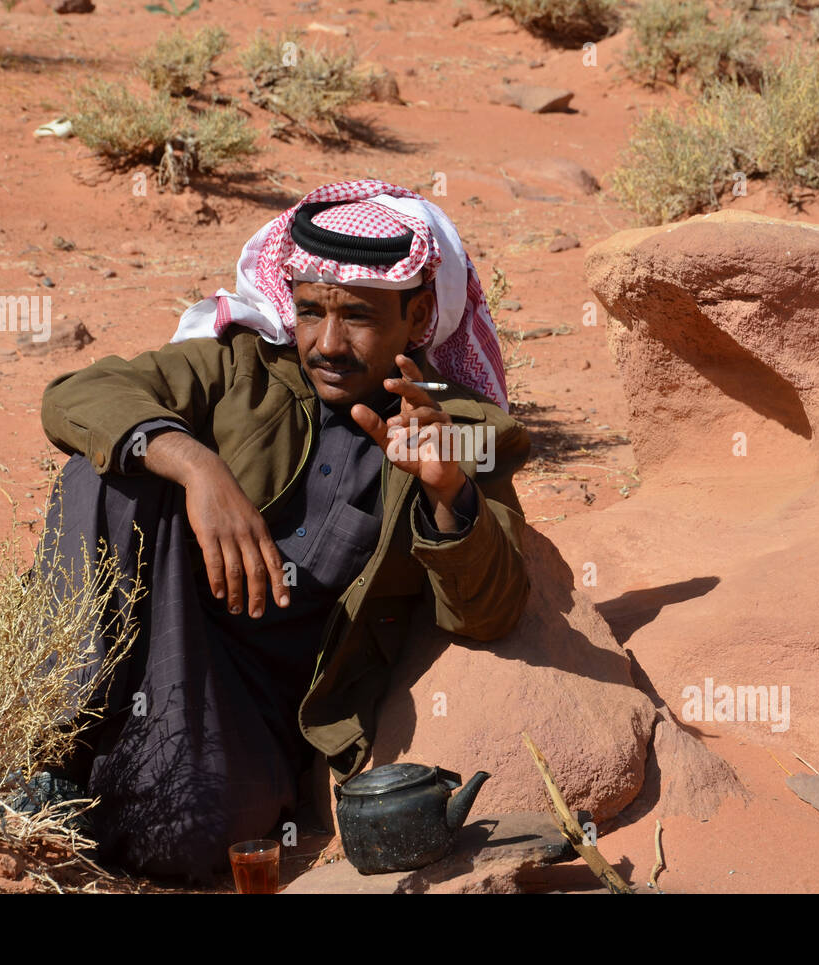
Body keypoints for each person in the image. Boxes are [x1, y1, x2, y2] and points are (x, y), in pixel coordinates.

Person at [30, 178, 532, 880]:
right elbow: (76, 396)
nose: (327, 344)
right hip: (146, 635)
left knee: (183, 840)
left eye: (357, 316)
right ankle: (45, 745)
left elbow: (491, 611)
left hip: (254, 709)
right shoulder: (242, 366)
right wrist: (198, 466)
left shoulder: (466, 430)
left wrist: (447, 492)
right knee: (106, 473)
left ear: (418, 317)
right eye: (309, 314)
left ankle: (90, 795)